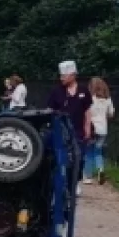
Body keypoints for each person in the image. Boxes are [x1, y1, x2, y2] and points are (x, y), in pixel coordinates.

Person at [46, 61, 92, 195]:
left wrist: (87, 127)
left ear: (72, 75)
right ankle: (61, 182)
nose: (61, 78)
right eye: (61, 76)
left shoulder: (83, 90)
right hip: (60, 130)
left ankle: (75, 182)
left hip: (77, 130)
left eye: (64, 76)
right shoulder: (57, 91)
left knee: (79, 157)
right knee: (60, 157)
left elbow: (87, 111)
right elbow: (50, 109)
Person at [85, 77, 115, 184]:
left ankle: (88, 177)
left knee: (88, 152)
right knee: (98, 152)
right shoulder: (108, 99)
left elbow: (85, 113)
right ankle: (101, 173)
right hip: (103, 129)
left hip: (92, 128)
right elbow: (111, 114)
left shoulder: (89, 98)